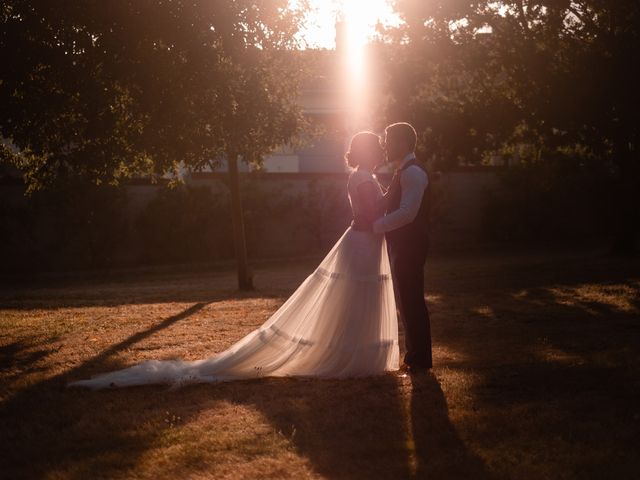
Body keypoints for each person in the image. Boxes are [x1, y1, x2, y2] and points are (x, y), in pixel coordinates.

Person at [69, 132, 399, 389]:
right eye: (379, 147)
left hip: (361, 243)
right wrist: (396, 195)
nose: (383, 151)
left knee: (357, 300)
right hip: (362, 242)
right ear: (368, 149)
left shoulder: (361, 176)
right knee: (357, 298)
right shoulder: (364, 178)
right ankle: (354, 358)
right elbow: (371, 216)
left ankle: (355, 354)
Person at [373, 122, 432, 372]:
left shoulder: (413, 173)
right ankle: (414, 356)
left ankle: (420, 358)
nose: (385, 145)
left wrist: (375, 226)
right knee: (407, 299)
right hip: (402, 243)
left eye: (389, 139)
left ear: (403, 142)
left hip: (411, 243)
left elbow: (407, 213)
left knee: (412, 299)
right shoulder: (402, 171)